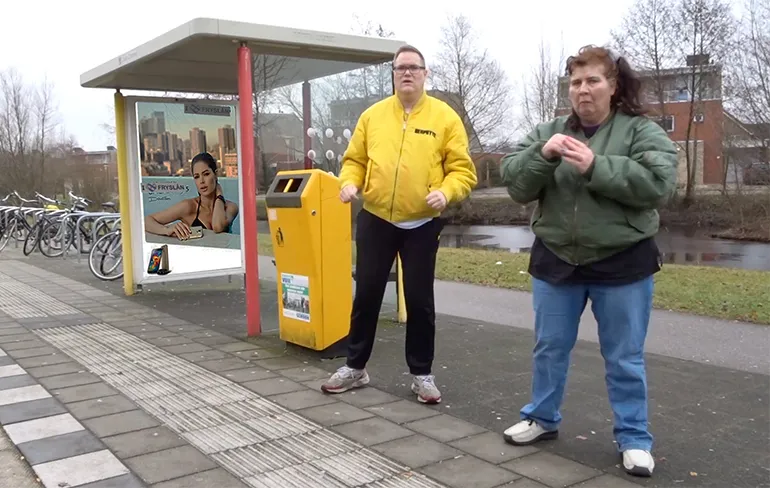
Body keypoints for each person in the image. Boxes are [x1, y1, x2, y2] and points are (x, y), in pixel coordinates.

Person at [499, 45, 678, 478]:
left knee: (624, 357)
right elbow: (515, 184)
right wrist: (542, 156)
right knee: (549, 347)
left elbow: (659, 185)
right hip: (557, 259)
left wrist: (597, 165)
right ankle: (541, 419)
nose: (583, 89)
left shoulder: (640, 131)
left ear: (613, 87)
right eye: (576, 82)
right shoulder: (550, 131)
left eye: (593, 80)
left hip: (622, 262)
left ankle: (634, 438)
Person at [320, 44, 478, 404]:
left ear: (425, 74)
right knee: (367, 294)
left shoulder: (445, 118)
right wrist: (349, 182)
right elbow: (354, 160)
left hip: (422, 223)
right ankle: (355, 368)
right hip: (376, 218)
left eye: (414, 68)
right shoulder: (373, 116)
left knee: (420, 300)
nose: (407, 73)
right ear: (392, 75)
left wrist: (447, 191)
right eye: (400, 68)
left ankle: (422, 374)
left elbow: (462, 171)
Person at [144, 152, 239, 240]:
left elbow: (218, 226)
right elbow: (146, 221)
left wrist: (219, 195)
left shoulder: (231, 207)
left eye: (206, 174)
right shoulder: (189, 207)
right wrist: (166, 230)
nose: (201, 181)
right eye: (197, 177)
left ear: (215, 174)